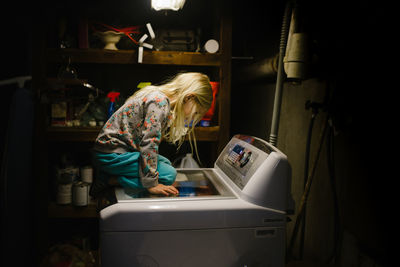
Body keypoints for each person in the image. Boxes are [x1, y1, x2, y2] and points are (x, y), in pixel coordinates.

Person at [91, 72, 213, 197]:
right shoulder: (159, 103)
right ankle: (110, 180)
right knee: (169, 175)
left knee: (166, 163)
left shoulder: (157, 97)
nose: (192, 117)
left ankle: (110, 175)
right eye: (196, 112)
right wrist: (151, 184)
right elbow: (149, 144)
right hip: (111, 155)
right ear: (189, 97)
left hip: (115, 152)